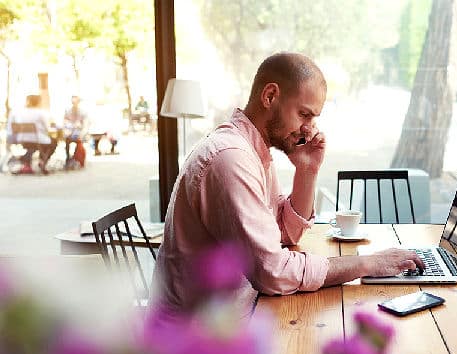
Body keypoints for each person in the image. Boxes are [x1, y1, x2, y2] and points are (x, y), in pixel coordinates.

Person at [151, 52, 424, 315]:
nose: (309, 128)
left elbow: (284, 232)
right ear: (270, 96)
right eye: (304, 114)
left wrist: (307, 170)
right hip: (195, 345)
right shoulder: (231, 159)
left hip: (236, 318)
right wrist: (369, 263)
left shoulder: (251, 151)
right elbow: (272, 272)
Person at [5, 94, 57, 174]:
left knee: (34, 146)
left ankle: (26, 163)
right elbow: (47, 128)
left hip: (22, 139)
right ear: (39, 102)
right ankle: (42, 161)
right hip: (37, 139)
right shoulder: (41, 113)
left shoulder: (21, 112)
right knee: (53, 142)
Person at [63, 95, 88, 167]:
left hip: (79, 132)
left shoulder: (83, 112)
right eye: (72, 102)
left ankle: (76, 158)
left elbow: (85, 125)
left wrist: (82, 132)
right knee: (67, 140)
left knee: (78, 140)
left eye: (75, 102)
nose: (73, 103)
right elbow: (65, 121)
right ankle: (68, 158)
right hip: (69, 131)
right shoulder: (68, 110)